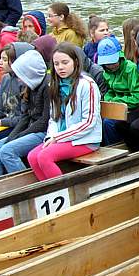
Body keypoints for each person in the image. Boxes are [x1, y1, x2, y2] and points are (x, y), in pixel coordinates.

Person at [26, 43, 102, 180]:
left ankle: (63, 189)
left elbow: (89, 122)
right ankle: (49, 189)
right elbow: (54, 118)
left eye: (65, 62)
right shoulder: (54, 85)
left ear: (75, 62)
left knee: (44, 157)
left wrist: (58, 138)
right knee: (32, 157)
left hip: (85, 139)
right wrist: (51, 137)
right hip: (62, 137)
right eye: (56, 64)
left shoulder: (87, 85)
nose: (60, 67)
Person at [0, 49, 49, 179]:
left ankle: (25, 185)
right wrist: (12, 137)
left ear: (30, 73)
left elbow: (44, 121)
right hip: (29, 129)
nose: (18, 80)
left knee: (7, 151)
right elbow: (25, 116)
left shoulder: (46, 86)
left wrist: (21, 135)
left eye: (20, 76)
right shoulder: (29, 87)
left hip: (43, 132)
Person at [96, 36, 139, 146]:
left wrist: (116, 101)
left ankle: (116, 147)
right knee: (99, 120)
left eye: (113, 62)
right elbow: (110, 91)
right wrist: (109, 99)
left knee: (109, 123)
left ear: (120, 56)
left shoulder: (131, 69)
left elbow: (138, 97)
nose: (111, 66)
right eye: (107, 63)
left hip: (132, 108)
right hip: (116, 107)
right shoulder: (106, 72)